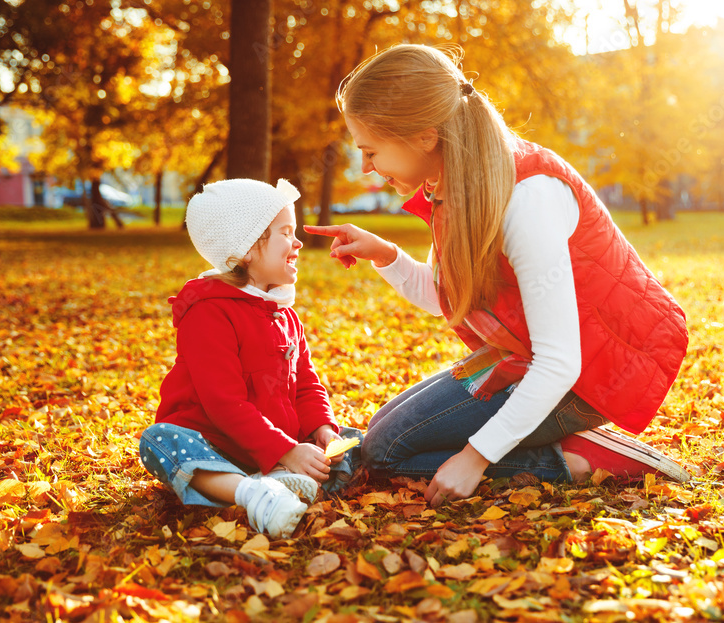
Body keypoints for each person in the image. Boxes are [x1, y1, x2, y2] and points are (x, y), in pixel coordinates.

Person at [305, 44, 691, 507]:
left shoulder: (526, 199)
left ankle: (576, 459)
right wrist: (386, 255)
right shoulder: (456, 185)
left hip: (596, 372)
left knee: (385, 450)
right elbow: (458, 300)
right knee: (382, 428)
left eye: (371, 151)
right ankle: (540, 443)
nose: (366, 166)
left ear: (425, 137)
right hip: (525, 355)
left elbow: (560, 360)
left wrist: (476, 457)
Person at [139, 178, 347, 539]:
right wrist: (286, 450)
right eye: (285, 232)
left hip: (276, 447)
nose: (297, 243)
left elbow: (307, 384)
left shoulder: (283, 314)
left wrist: (322, 430)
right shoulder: (209, 313)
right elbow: (224, 403)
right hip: (214, 445)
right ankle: (251, 493)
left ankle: (285, 480)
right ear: (247, 250)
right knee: (159, 441)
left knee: (358, 442)